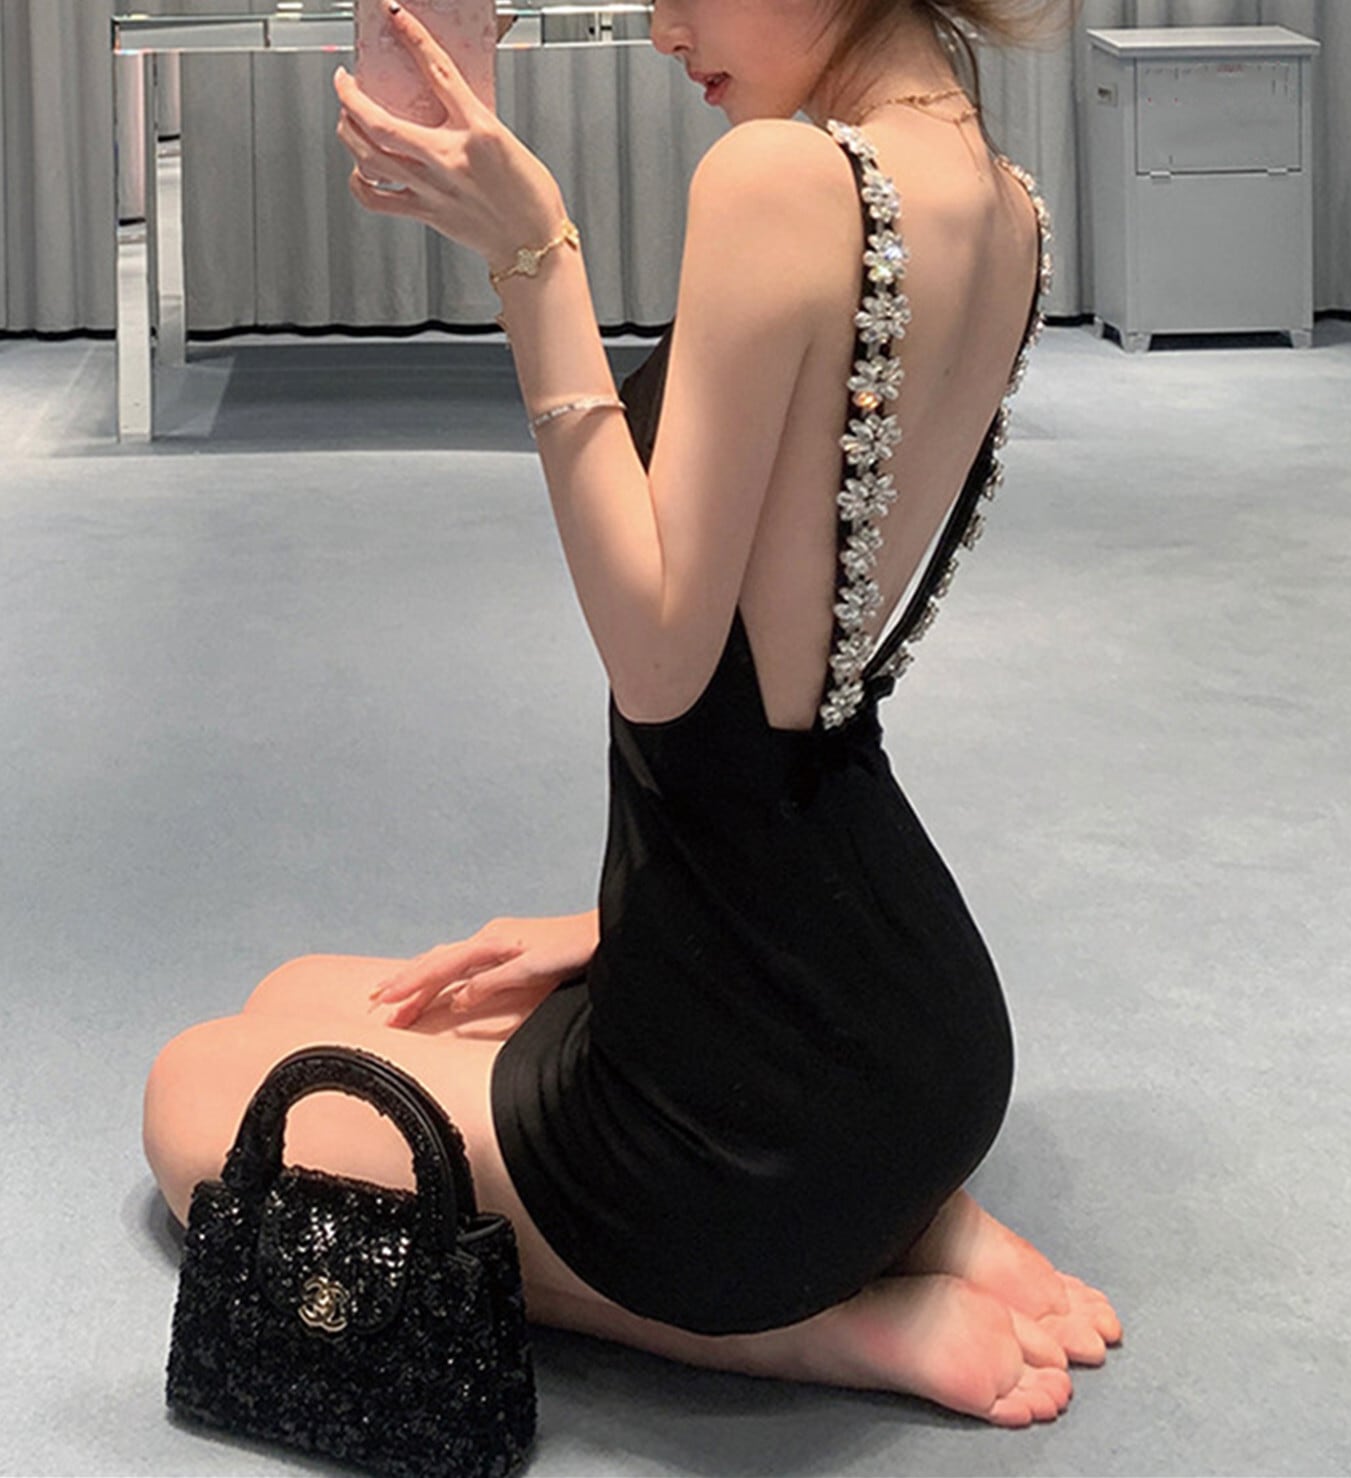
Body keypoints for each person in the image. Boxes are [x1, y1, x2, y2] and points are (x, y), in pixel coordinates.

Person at [143, 0, 1121, 1428]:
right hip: (906, 1013)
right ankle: (911, 1216)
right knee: (300, 995)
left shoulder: (777, 178)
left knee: (190, 1099)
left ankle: (803, 1324)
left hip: (742, 1124)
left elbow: (663, 663)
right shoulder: (1002, 197)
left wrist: (531, 257)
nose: (663, 28)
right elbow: (796, 674)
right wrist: (617, 926)